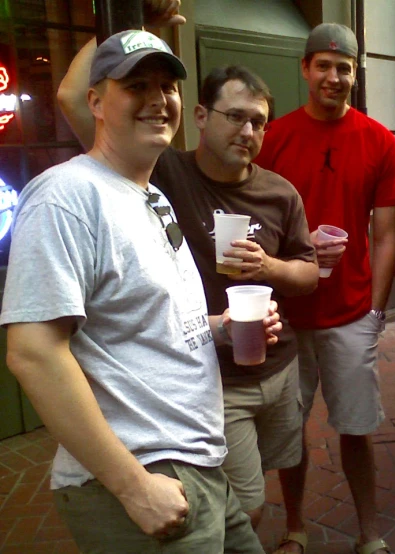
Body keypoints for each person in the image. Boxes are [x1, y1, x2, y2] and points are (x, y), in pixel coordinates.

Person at [1, 28, 282, 553]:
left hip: (200, 464)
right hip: (143, 470)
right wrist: (134, 488)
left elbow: (145, 320)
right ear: (96, 102)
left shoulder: (149, 193)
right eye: (136, 86)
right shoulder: (65, 196)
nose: (158, 99)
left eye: (167, 86)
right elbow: (33, 354)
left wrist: (223, 329)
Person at [57, 11, 319, 528]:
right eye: (235, 117)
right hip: (214, 378)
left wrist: (268, 266)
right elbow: (70, 98)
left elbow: (309, 274)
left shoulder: (278, 190)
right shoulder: (163, 171)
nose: (248, 131)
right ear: (200, 116)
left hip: (276, 359)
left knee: (286, 461)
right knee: (245, 500)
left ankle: (296, 529)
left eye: (259, 122)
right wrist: (136, 23)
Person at [255, 23, 395, 554]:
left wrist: (376, 311)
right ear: (305, 69)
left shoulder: (379, 141)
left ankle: (369, 533)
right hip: (288, 314)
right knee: (289, 430)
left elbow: (385, 235)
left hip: (349, 313)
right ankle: (295, 528)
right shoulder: (274, 137)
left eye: (344, 68)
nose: (334, 77)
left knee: (357, 428)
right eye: (324, 66)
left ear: (355, 75)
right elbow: (255, 223)